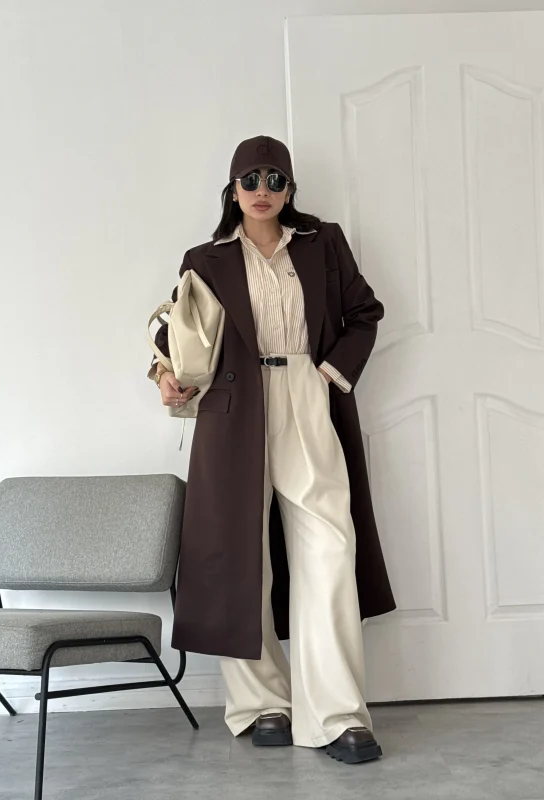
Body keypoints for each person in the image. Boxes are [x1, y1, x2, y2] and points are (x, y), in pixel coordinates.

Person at [147, 135, 395, 764]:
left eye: (274, 179)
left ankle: (337, 715)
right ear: (233, 190)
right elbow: (178, 333)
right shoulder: (205, 258)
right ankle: (262, 704)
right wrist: (163, 374)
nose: (262, 190)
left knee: (330, 548)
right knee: (239, 554)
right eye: (250, 180)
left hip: (307, 394)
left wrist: (329, 374)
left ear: (289, 189)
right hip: (233, 407)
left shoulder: (322, 243)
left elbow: (365, 312)